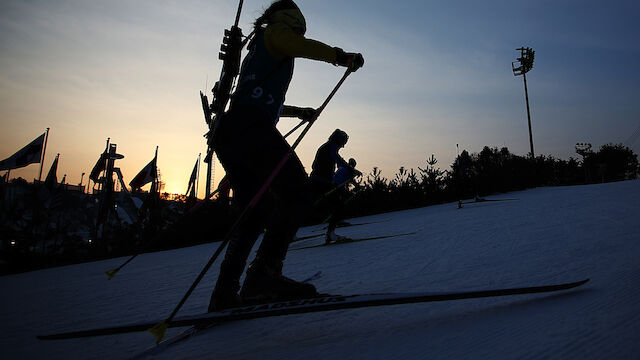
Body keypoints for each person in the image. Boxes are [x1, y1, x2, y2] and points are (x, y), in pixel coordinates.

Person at [208, 0, 364, 312]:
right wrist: (340, 57)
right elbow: (296, 44)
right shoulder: (278, 32)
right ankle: (264, 276)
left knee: (257, 210)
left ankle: (225, 291)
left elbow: (258, 97)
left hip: (230, 130)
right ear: (296, 22)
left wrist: (298, 112)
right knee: (297, 193)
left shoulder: (259, 48)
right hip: (251, 128)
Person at [310, 129, 361, 244]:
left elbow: (316, 164)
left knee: (309, 205)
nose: (343, 146)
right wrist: (350, 169)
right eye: (343, 142)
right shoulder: (331, 146)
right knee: (338, 204)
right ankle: (331, 233)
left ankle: (289, 233)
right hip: (322, 182)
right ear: (339, 140)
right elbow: (336, 157)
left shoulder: (325, 147)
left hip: (318, 180)